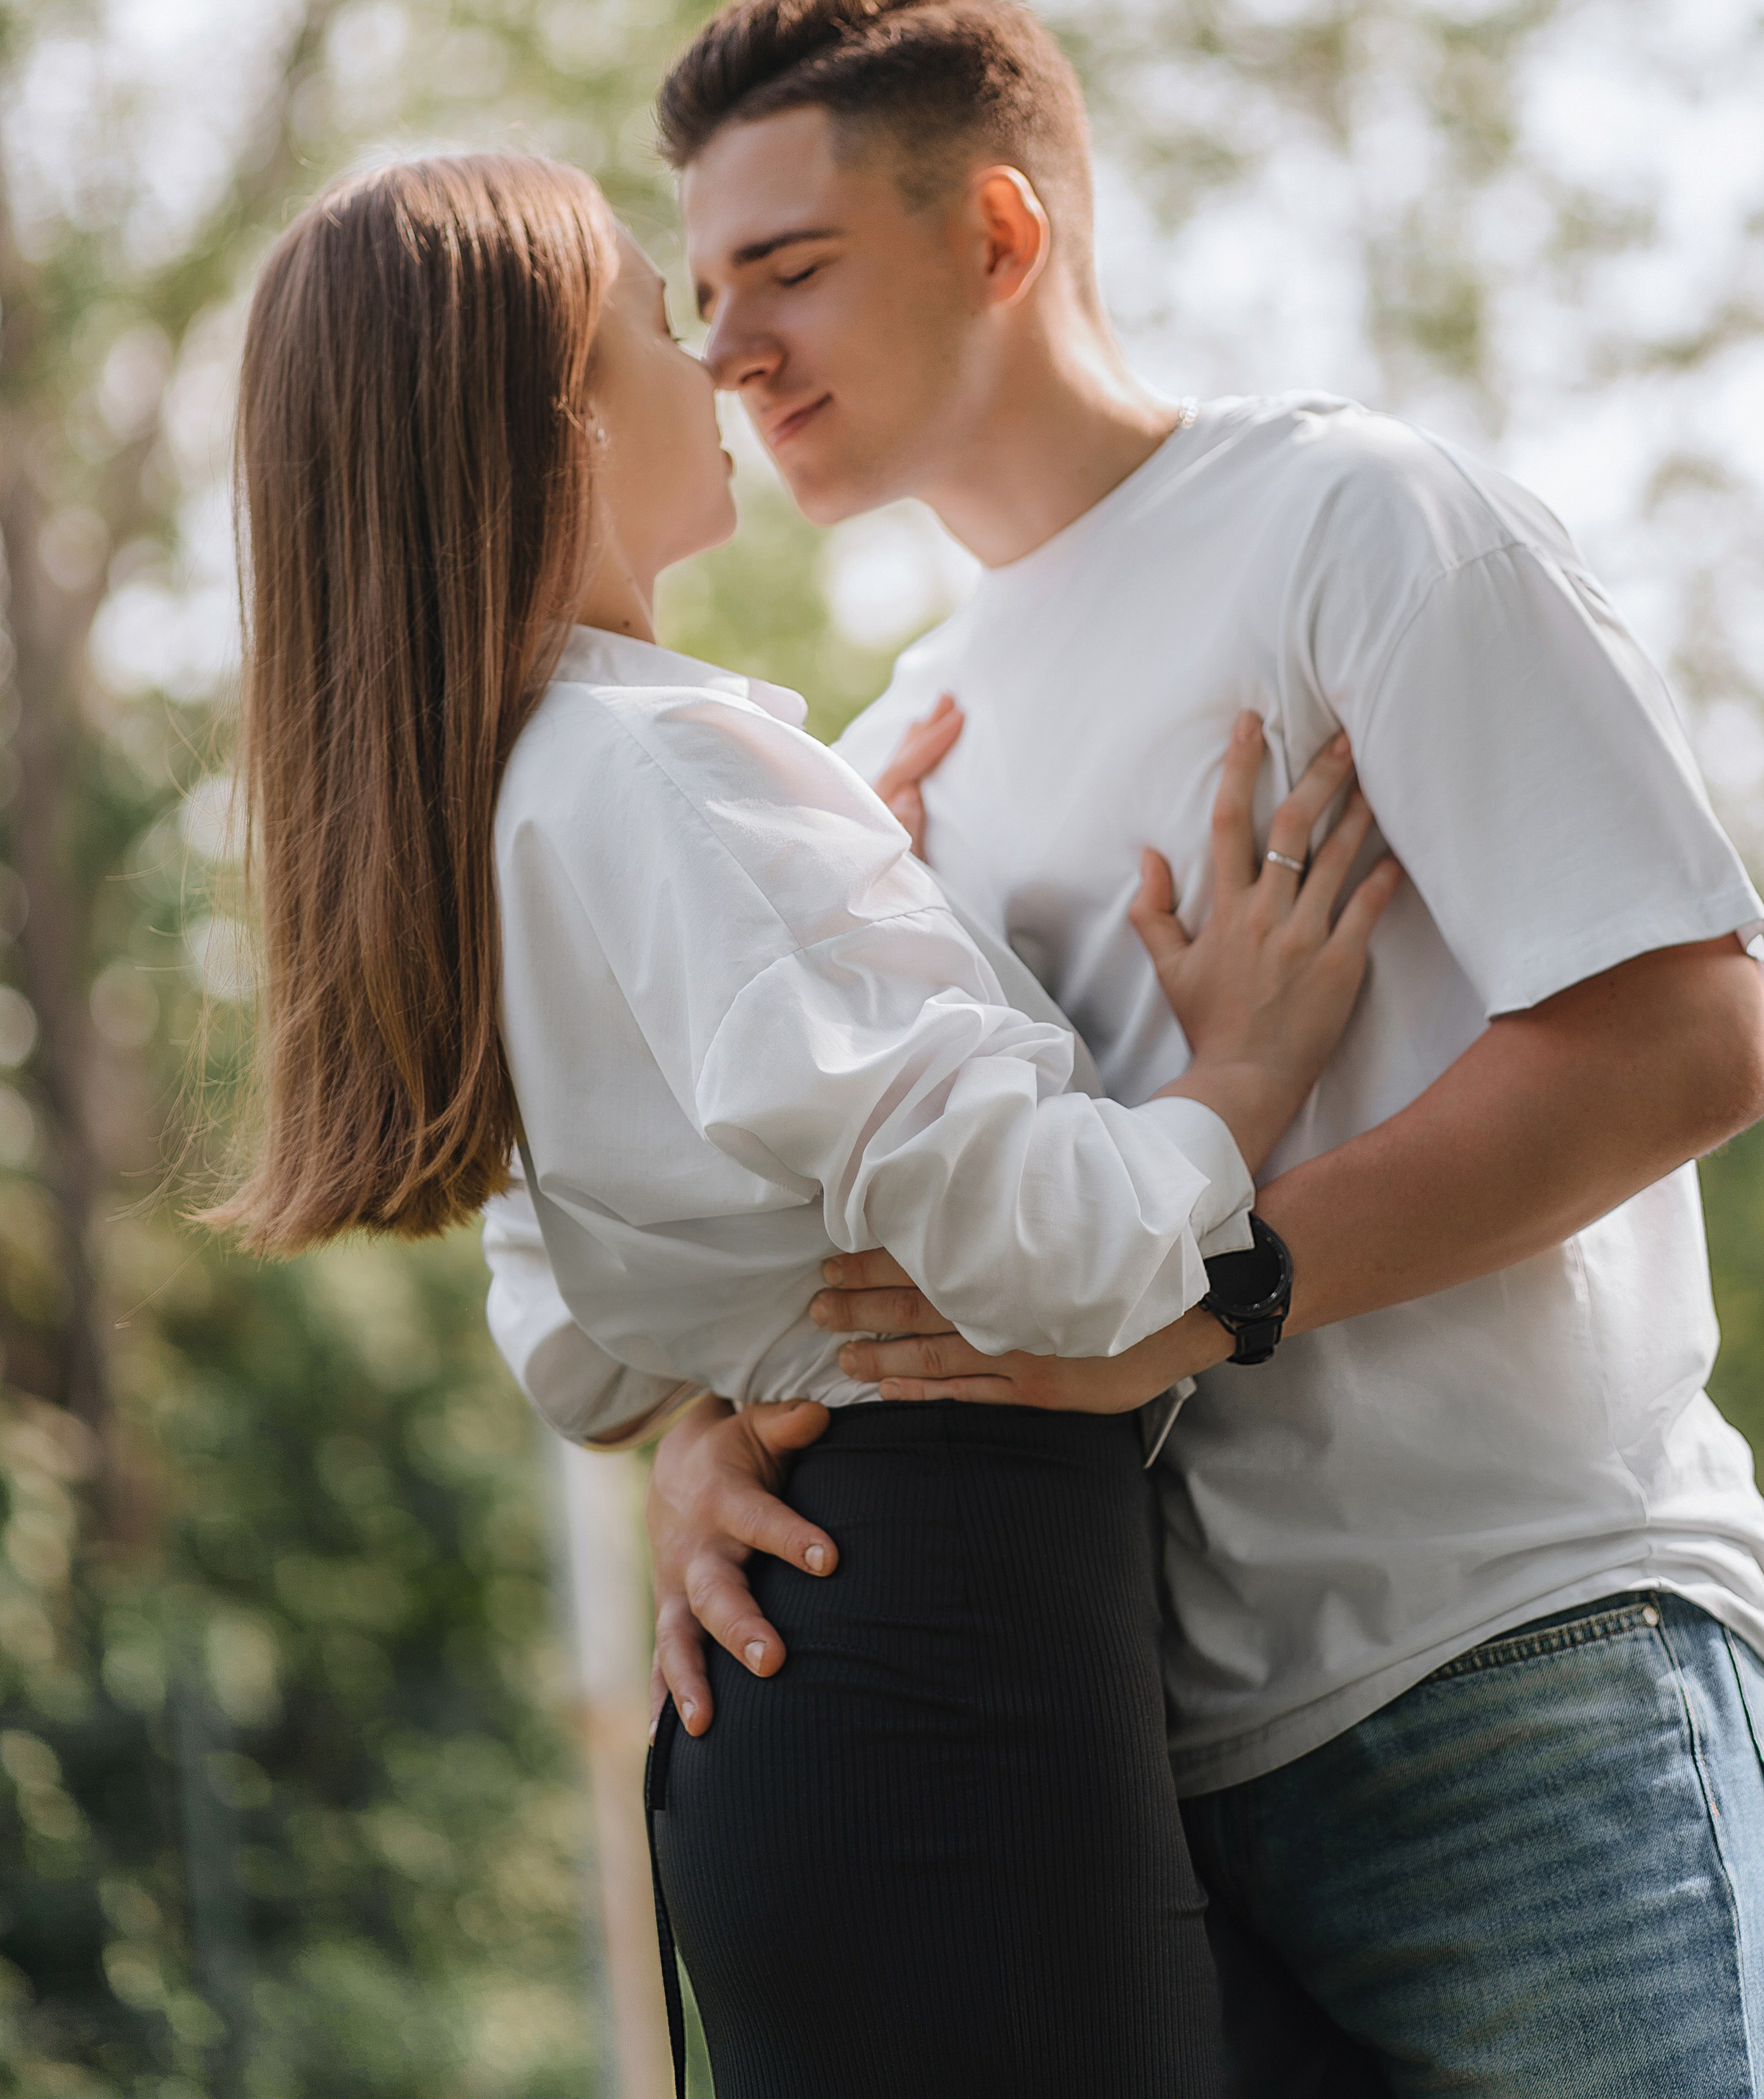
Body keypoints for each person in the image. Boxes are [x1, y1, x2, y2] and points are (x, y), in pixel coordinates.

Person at [490, 0, 1764, 2098]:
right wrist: (705, 1447)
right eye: (702, 293)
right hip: (1157, 1772)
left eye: (789, 271)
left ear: (1000, 231)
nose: (724, 348)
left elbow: (1687, 1038)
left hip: (1526, 1685)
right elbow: (902, 1231)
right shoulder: (882, 736)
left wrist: (1218, 1296)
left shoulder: (1358, 524)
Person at [214, 149, 1405, 2099]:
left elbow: (579, 1348)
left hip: (817, 1717)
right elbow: (1062, 1258)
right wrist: (1242, 1082)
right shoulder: (668, 771)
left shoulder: (513, 805)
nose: (720, 371)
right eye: (655, 328)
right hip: (949, 1706)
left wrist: (861, 944)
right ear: (561, 424)